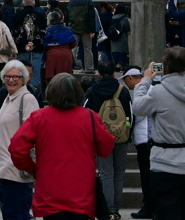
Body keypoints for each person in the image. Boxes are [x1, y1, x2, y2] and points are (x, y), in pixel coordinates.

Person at [9, 72, 115, 219]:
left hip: (50, 191)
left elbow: (16, 148)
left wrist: (32, 168)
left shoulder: (39, 117)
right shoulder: (90, 117)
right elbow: (106, 148)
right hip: (81, 192)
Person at [132, 46, 185, 220]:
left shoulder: (159, 92)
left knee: (167, 213)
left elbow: (138, 108)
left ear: (165, 66)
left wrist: (145, 81)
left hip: (165, 162)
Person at [0, 60, 40, 220]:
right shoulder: (9, 98)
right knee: (11, 212)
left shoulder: (27, 99)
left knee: (15, 213)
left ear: (24, 79)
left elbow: (32, 133)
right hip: (5, 166)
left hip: (15, 167)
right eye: (7, 76)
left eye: (16, 76)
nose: (11, 80)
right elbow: (1, 130)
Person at [84, 61, 132, 220]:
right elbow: (130, 115)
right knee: (119, 174)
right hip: (121, 138)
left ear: (98, 74)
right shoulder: (123, 91)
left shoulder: (92, 91)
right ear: (114, 74)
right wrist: (125, 129)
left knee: (106, 174)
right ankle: (115, 209)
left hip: (100, 138)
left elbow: (85, 114)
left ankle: (108, 209)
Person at [123, 67, 155, 220]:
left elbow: (139, 112)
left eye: (125, 80)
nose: (125, 84)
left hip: (145, 138)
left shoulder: (141, 90)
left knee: (146, 175)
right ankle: (151, 205)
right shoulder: (153, 88)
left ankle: (149, 205)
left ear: (131, 78)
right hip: (151, 138)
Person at [12, 0, 47, 94]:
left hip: (21, 48)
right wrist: (34, 43)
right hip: (37, 48)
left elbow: (14, 33)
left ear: (23, 3)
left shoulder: (17, 15)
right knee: (35, 71)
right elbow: (43, 31)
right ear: (34, 3)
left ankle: (21, 91)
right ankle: (34, 92)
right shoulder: (40, 15)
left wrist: (23, 44)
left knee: (21, 71)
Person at [66, 0, 96, 71]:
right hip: (86, 29)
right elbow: (91, 16)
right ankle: (89, 68)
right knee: (87, 49)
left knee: (72, 49)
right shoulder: (88, 1)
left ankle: (69, 67)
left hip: (73, 28)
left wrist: (68, 26)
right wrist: (92, 29)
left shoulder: (71, 1)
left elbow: (67, 16)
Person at [42, 10, 77, 83]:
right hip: (66, 54)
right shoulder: (67, 29)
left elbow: (43, 45)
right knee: (66, 78)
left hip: (52, 55)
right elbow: (73, 43)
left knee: (52, 79)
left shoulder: (47, 31)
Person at [108, 3, 131, 68]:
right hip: (122, 40)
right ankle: (120, 66)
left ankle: (116, 66)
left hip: (113, 39)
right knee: (122, 56)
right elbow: (128, 30)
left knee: (115, 54)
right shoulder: (124, 19)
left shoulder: (112, 18)